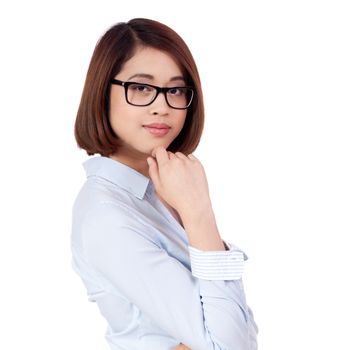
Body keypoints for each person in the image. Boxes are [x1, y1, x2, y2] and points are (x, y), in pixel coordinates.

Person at [71, 18, 258, 350]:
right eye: (141, 88)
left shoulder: (161, 190)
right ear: (103, 93)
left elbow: (242, 328)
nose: (162, 106)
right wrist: (199, 213)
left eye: (175, 90)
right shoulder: (107, 215)